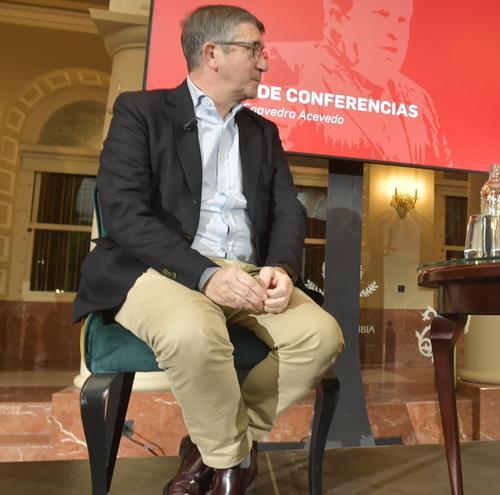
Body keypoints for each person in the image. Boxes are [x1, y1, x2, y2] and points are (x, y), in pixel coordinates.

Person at [72, 5, 344, 495]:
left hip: (249, 271)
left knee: (321, 336)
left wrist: (281, 267)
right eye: (255, 49)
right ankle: (232, 468)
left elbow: (288, 212)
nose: (265, 62)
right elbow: (124, 212)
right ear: (212, 53)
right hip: (161, 270)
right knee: (193, 332)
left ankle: (206, 449)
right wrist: (204, 275)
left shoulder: (264, 133)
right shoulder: (141, 111)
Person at [268, 0, 453, 166]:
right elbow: (265, 162)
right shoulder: (287, 65)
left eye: (402, 20)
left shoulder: (419, 100)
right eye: (382, 15)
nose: (395, 33)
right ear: (336, 16)